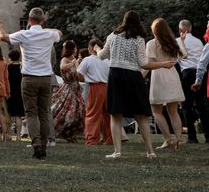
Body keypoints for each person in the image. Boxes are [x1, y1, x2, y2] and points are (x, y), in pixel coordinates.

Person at [97, 11, 177, 159]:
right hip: (133, 77)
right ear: (138, 22)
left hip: (116, 76)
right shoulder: (139, 38)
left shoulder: (113, 35)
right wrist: (164, 64)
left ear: (124, 21)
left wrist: (97, 50)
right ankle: (150, 151)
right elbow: (143, 64)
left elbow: (102, 55)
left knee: (115, 115)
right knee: (141, 116)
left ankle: (117, 151)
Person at [0, 8, 61, 160]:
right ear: (42, 20)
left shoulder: (24, 34)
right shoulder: (49, 34)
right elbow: (59, 32)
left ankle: (36, 145)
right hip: (46, 78)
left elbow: (3, 37)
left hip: (29, 77)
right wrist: (43, 27)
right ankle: (44, 145)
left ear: (29, 20)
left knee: (31, 113)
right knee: (43, 112)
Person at [147, 18, 187, 149]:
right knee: (173, 111)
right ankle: (179, 139)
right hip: (172, 76)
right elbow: (184, 55)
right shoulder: (173, 43)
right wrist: (181, 41)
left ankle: (168, 139)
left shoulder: (152, 43)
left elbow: (149, 63)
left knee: (156, 111)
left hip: (158, 76)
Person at [176, 19, 209, 143]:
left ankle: (192, 137)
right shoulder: (199, 41)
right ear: (190, 28)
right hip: (200, 73)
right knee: (201, 105)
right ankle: (207, 135)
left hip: (187, 73)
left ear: (180, 30)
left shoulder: (177, 41)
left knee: (186, 106)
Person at [76, 38, 112, 146]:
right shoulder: (107, 60)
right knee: (108, 115)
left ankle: (92, 139)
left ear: (91, 48)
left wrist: (77, 65)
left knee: (92, 114)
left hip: (95, 87)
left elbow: (79, 74)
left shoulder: (88, 59)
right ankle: (110, 138)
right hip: (107, 87)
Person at [51, 40, 85, 143]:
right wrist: (73, 63)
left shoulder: (75, 59)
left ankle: (71, 134)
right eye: (75, 48)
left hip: (76, 88)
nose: (76, 49)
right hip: (68, 89)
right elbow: (62, 67)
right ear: (73, 49)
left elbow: (79, 75)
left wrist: (77, 64)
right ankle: (61, 132)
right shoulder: (65, 59)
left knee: (78, 113)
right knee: (64, 111)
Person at [6, 49, 24, 141]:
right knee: (18, 115)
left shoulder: (8, 67)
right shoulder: (22, 67)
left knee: (8, 114)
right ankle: (18, 136)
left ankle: (8, 134)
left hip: (10, 92)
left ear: (10, 58)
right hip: (19, 92)